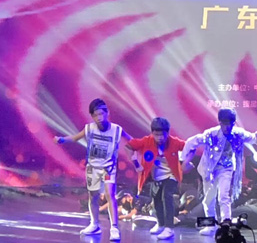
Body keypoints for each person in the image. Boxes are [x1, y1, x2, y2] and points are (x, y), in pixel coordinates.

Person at [54, 98, 132, 240]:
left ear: (107, 113)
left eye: (101, 114)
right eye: (95, 115)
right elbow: (75, 138)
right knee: (93, 196)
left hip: (108, 168)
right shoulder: (89, 128)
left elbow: (132, 140)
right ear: (92, 116)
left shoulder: (116, 129)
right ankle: (94, 224)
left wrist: (146, 146)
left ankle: (114, 227)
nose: (99, 118)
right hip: (93, 168)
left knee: (110, 194)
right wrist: (62, 140)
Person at [182, 108, 257, 236]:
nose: (228, 127)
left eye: (230, 124)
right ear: (220, 122)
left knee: (224, 195)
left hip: (226, 169)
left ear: (234, 123)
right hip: (209, 169)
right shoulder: (211, 134)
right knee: (208, 199)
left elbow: (254, 138)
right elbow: (191, 141)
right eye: (225, 124)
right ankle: (211, 225)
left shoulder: (238, 133)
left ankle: (225, 224)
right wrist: (184, 159)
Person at [126, 117, 186, 240]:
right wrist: (136, 164)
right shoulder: (146, 141)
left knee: (166, 196)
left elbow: (190, 147)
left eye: (162, 135)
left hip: (171, 175)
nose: (160, 138)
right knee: (156, 199)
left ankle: (169, 228)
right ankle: (161, 224)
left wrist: (185, 163)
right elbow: (129, 146)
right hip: (156, 177)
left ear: (167, 133)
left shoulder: (175, 142)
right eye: (156, 135)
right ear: (152, 133)